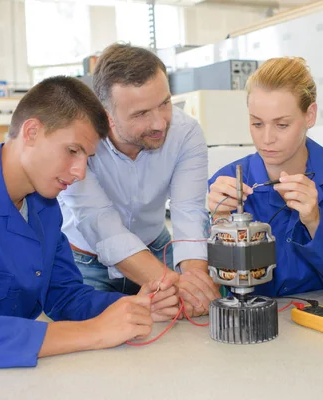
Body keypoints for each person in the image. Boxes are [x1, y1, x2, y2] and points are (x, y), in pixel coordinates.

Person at [0, 76, 179, 370]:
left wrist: (133, 309)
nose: (80, 172)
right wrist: (93, 332)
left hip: (13, 371)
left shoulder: (44, 205)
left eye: (87, 158)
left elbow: (65, 295)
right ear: (31, 132)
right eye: (72, 150)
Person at [58, 43, 221, 317]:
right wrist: (173, 283)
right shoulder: (77, 140)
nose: (159, 123)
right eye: (141, 114)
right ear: (106, 115)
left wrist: (194, 282)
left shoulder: (186, 133)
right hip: (85, 260)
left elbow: (189, 213)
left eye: (165, 104)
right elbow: (103, 225)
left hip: (156, 249)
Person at [207, 57, 323, 302]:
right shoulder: (225, 182)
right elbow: (209, 289)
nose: (266, 138)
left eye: (282, 125)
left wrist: (315, 221)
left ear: (310, 115)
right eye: (256, 123)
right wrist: (219, 222)